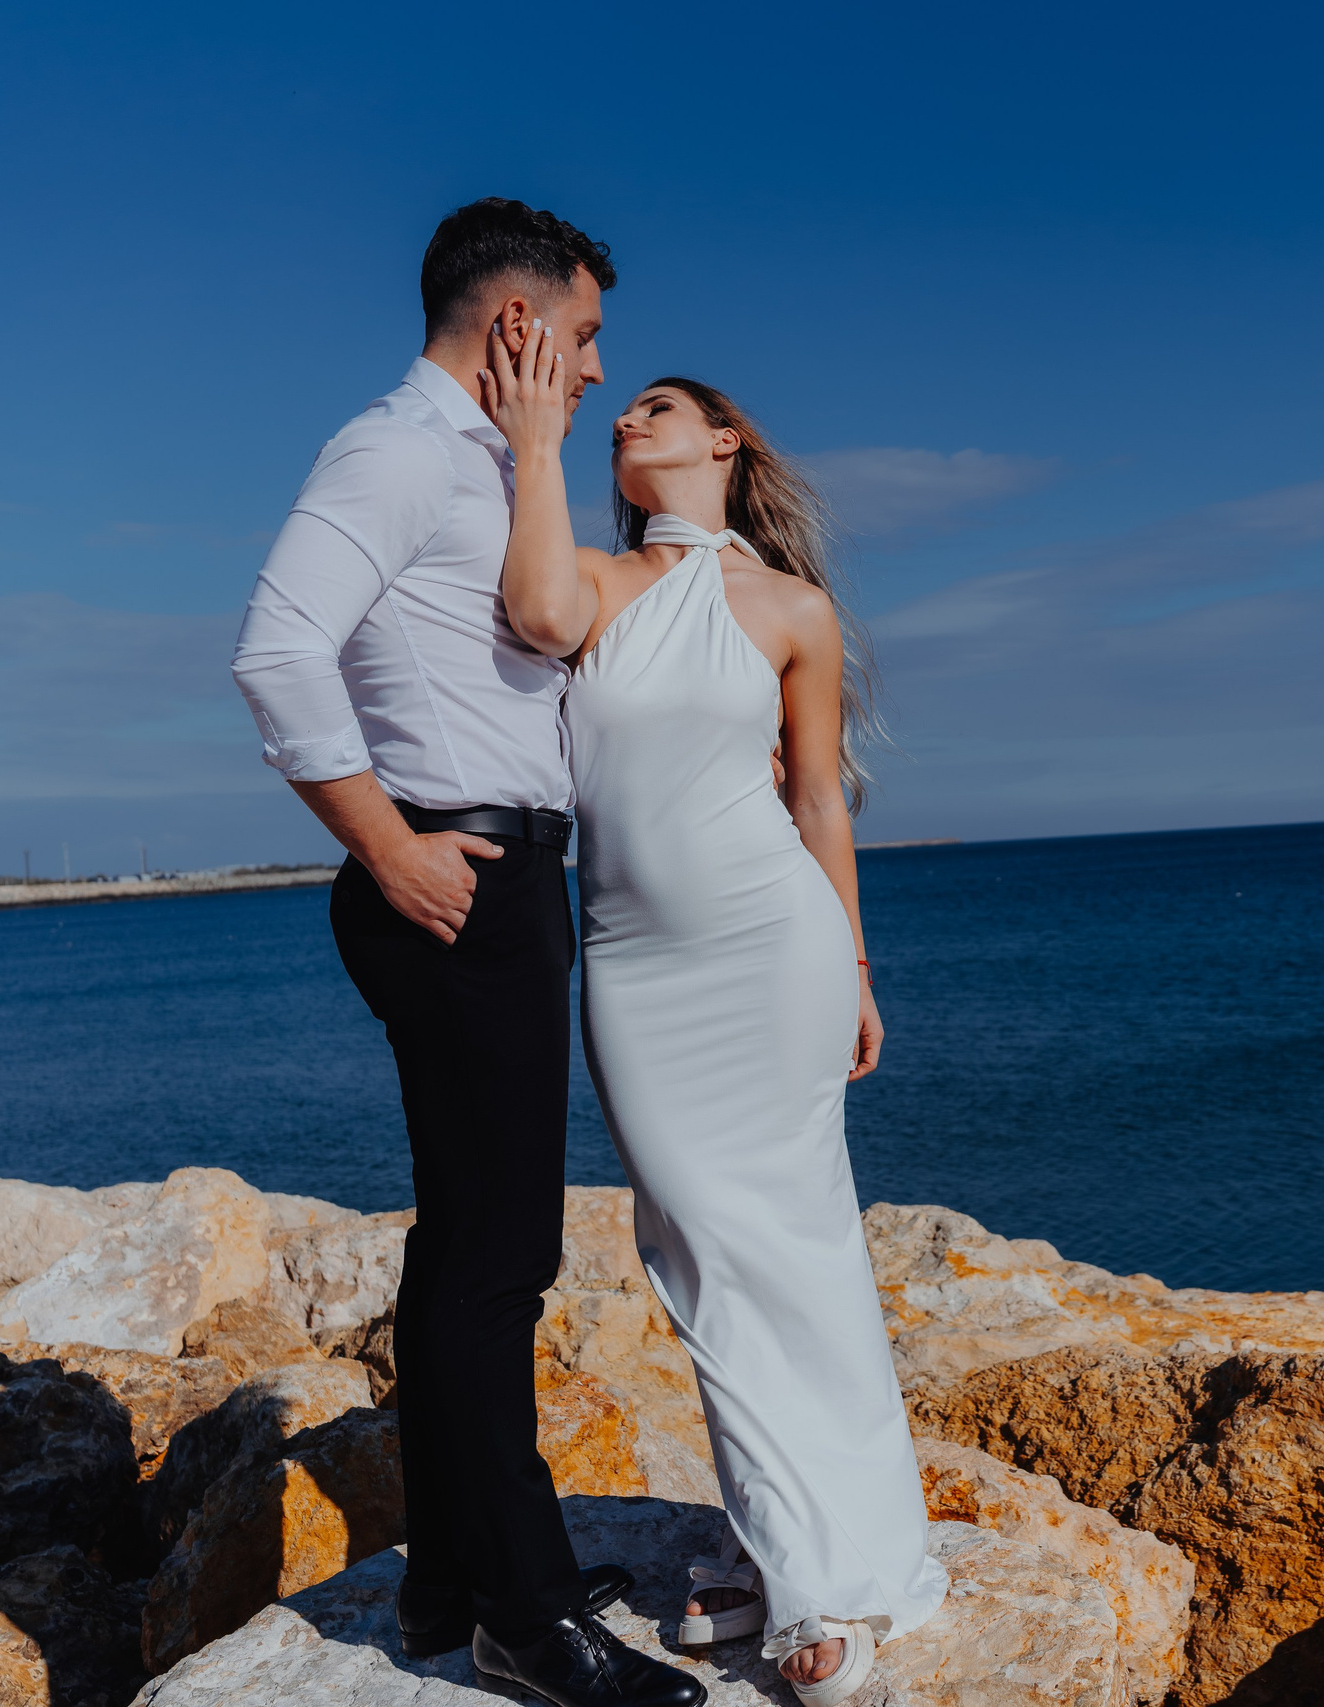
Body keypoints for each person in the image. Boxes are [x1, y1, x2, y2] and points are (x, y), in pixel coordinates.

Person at [230, 198, 705, 1707]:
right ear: (518, 326)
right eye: (585, 338)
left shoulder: (491, 465)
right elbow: (275, 647)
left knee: (462, 1249)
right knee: (502, 1262)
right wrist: (386, 843)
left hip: (491, 871)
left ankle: (455, 1579)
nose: (591, 365)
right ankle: (528, 1613)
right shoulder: (398, 449)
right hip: (456, 871)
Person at [481, 330, 948, 1706]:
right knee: (697, 1258)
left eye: (659, 404)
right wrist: (531, 444)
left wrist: (855, 969)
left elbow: (816, 801)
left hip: (775, 948)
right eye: (619, 410)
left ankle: (815, 1577)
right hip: (635, 968)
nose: (628, 414)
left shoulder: (794, 610)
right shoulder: (605, 584)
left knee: (796, 1252)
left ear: (727, 445)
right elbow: (535, 611)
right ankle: (800, 1536)